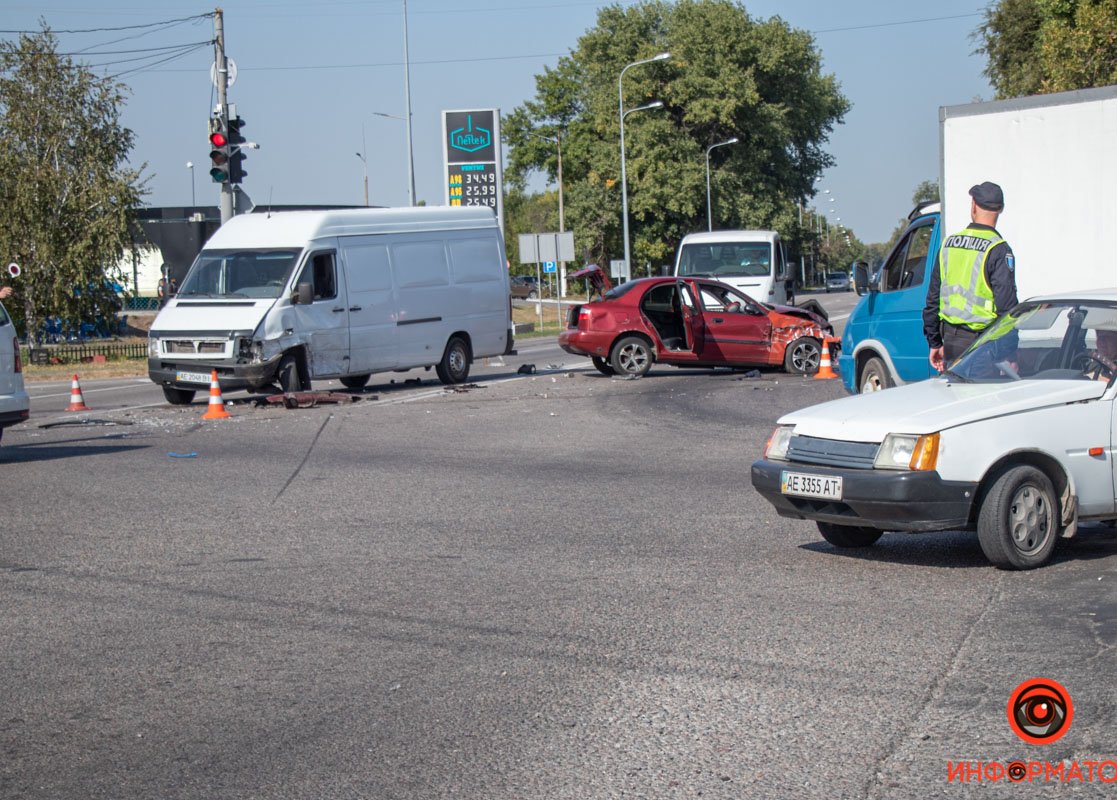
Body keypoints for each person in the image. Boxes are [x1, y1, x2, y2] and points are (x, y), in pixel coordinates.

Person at [922, 181, 1018, 372]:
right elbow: (1007, 309)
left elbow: (933, 299)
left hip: (950, 344)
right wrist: (1009, 352)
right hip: (983, 346)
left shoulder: (949, 244)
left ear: (973, 205)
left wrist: (934, 342)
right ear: (1001, 209)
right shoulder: (998, 249)